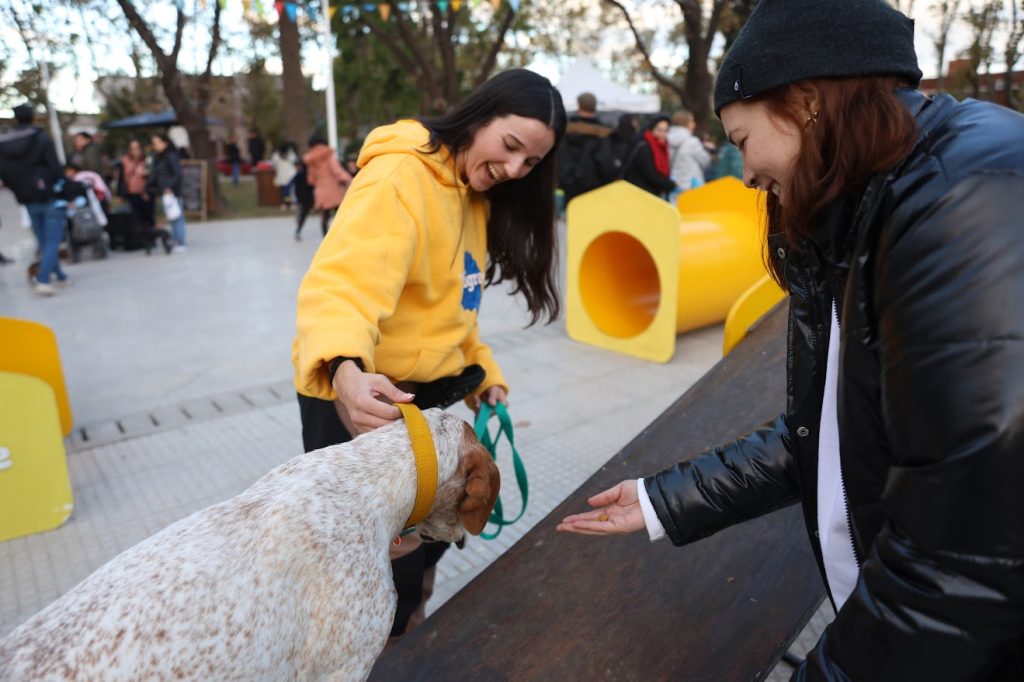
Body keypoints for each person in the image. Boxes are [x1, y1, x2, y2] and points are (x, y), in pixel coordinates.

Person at [558, 1, 1024, 678]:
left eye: (743, 138)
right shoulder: (879, 198)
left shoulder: (958, 203)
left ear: (807, 101)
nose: (746, 173)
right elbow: (833, 429)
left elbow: (955, 562)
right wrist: (663, 499)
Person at [293, 68, 566, 642]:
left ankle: (411, 634)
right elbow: (340, 287)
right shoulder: (399, 177)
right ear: (479, 117)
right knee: (375, 568)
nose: (515, 168)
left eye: (531, 162)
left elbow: (457, 311)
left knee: (430, 545)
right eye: (510, 145)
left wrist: (484, 376)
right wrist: (345, 371)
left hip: (425, 406)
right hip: (368, 400)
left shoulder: (473, 196)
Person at [0, 103, 69, 295]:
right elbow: (55, 167)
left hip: (26, 197)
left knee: (43, 239)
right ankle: (43, 278)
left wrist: (18, 189)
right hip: (49, 195)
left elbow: (4, 173)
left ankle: (59, 275)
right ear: (32, 117)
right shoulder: (41, 138)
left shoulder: (3, 144)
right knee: (53, 240)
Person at [556, 91, 612, 203]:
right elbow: (604, 162)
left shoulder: (563, 128)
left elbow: (558, 156)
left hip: (566, 184)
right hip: (592, 188)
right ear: (595, 107)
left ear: (578, 105)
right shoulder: (602, 132)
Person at [302, 133, 352, 237]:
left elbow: (311, 180)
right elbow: (337, 171)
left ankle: (325, 238)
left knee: (325, 216)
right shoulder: (328, 156)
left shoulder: (311, 161)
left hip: (320, 191)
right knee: (340, 214)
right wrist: (349, 179)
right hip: (333, 190)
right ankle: (343, 236)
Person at [146, 132, 186, 252]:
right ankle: (175, 240)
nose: (156, 146)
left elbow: (177, 173)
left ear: (165, 143)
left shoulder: (171, 156)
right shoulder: (157, 157)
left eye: (158, 142)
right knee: (171, 216)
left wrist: (169, 187)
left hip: (173, 191)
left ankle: (181, 242)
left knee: (177, 216)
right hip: (163, 191)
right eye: (154, 143)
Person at [623, 114, 676, 199]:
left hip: (650, 194)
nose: (663, 134)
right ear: (652, 129)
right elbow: (651, 175)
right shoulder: (645, 148)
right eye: (659, 130)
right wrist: (671, 185)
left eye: (666, 131)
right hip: (639, 195)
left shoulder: (662, 148)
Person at [666, 110, 710, 203]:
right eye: (692, 121)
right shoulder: (692, 142)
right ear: (685, 123)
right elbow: (706, 161)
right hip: (692, 186)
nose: (694, 124)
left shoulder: (667, 140)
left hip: (674, 186)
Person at [120, 139, 154, 226]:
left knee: (148, 218)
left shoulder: (147, 160)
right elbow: (123, 176)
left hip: (145, 193)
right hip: (132, 193)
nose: (135, 151)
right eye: (133, 148)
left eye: (137, 148)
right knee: (136, 218)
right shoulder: (125, 160)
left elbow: (151, 175)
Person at [269, 141, 298, 209]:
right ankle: (291, 203)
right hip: (291, 174)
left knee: (284, 191)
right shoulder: (291, 154)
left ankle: (285, 203)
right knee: (290, 191)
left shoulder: (275, 155)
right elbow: (295, 161)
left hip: (282, 175)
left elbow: (274, 165)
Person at [291, 159, 314, 241]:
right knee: (302, 215)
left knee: (302, 215)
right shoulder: (308, 173)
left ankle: (298, 230)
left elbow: (292, 182)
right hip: (307, 197)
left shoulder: (300, 174)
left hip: (303, 198)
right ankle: (298, 230)